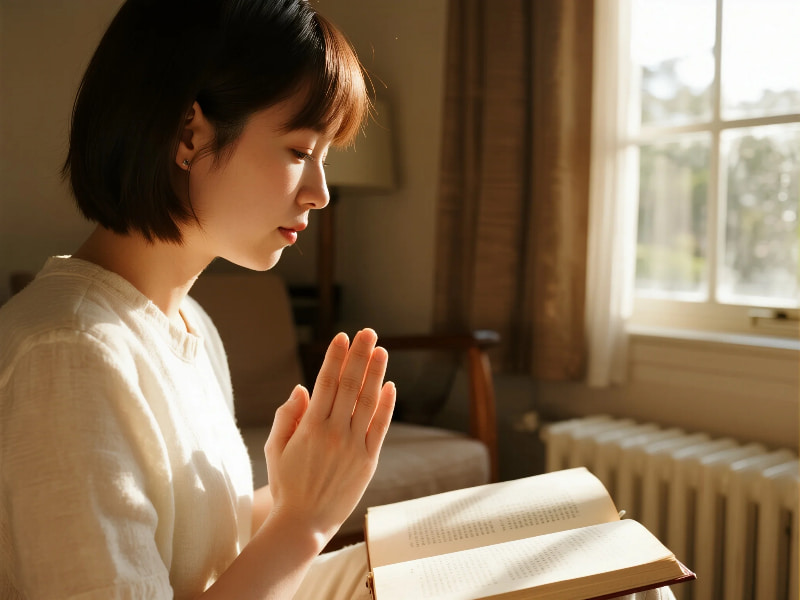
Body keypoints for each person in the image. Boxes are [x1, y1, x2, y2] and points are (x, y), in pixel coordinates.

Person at [0, 0, 394, 598]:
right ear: (189, 134)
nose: (319, 193)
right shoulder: (68, 353)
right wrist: (304, 524)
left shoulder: (190, 326)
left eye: (326, 159)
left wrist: (299, 498)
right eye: (298, 151)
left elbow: (201, 558)